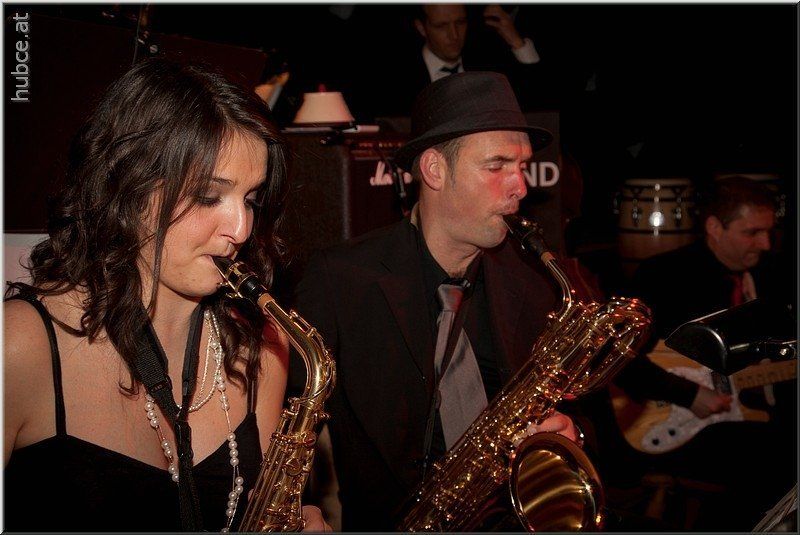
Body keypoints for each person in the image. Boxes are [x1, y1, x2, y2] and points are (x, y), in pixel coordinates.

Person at [3, 59, 328, 532]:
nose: (241, 229)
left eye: (251, 199)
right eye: (209, 196)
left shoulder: (262, 349)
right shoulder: (19, 344)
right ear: (129, 188)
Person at [293, 71, 583, 531]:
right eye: (497, 166)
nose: (520, 187)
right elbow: (281, 425)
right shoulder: (339, 279)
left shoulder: (536, 282)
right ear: (434, 169)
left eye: (523, 166)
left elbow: (577, 414)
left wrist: (567, 434)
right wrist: (302, 509)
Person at [607, 175, 796, 529]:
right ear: (714, 227)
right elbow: (616, 359)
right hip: (682, 425)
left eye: (769, 232)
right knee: (773, 458)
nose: (765, 243)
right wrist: (689, 393)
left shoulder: (774, 276)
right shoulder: (664, 275)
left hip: (753, 415)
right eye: (752, 232)